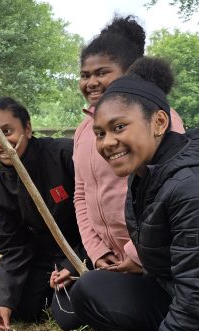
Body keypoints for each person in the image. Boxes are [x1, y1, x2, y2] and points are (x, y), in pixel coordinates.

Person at [71, 58, 199, 331]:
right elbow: (166, 276)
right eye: (100, 133)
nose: (106, 143)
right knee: (92, 287)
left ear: (159, 122)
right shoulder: (146, 174)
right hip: (197, 308)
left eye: (119, 127)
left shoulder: (196, 186)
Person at [65, 15, 186, 296]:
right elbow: (81, 194)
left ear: (129, 72)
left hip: (155, 256)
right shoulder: (85, 131)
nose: (92, 82)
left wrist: (135, 254)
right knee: (79, 302)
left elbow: (168, 198)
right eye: (85, 75)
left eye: (102, 73)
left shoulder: (158, 121)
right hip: (113, 257)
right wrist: (97, 251)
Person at [0, 96, 88, 331]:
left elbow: (97, 218)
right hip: (45, 259)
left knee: (69, 317)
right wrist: (4, 300)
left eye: (6, 131)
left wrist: (73, 265)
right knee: (21, 309)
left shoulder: (65, 155)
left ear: (28, 129)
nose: (0, 142)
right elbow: (14, 248)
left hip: (85, 250)